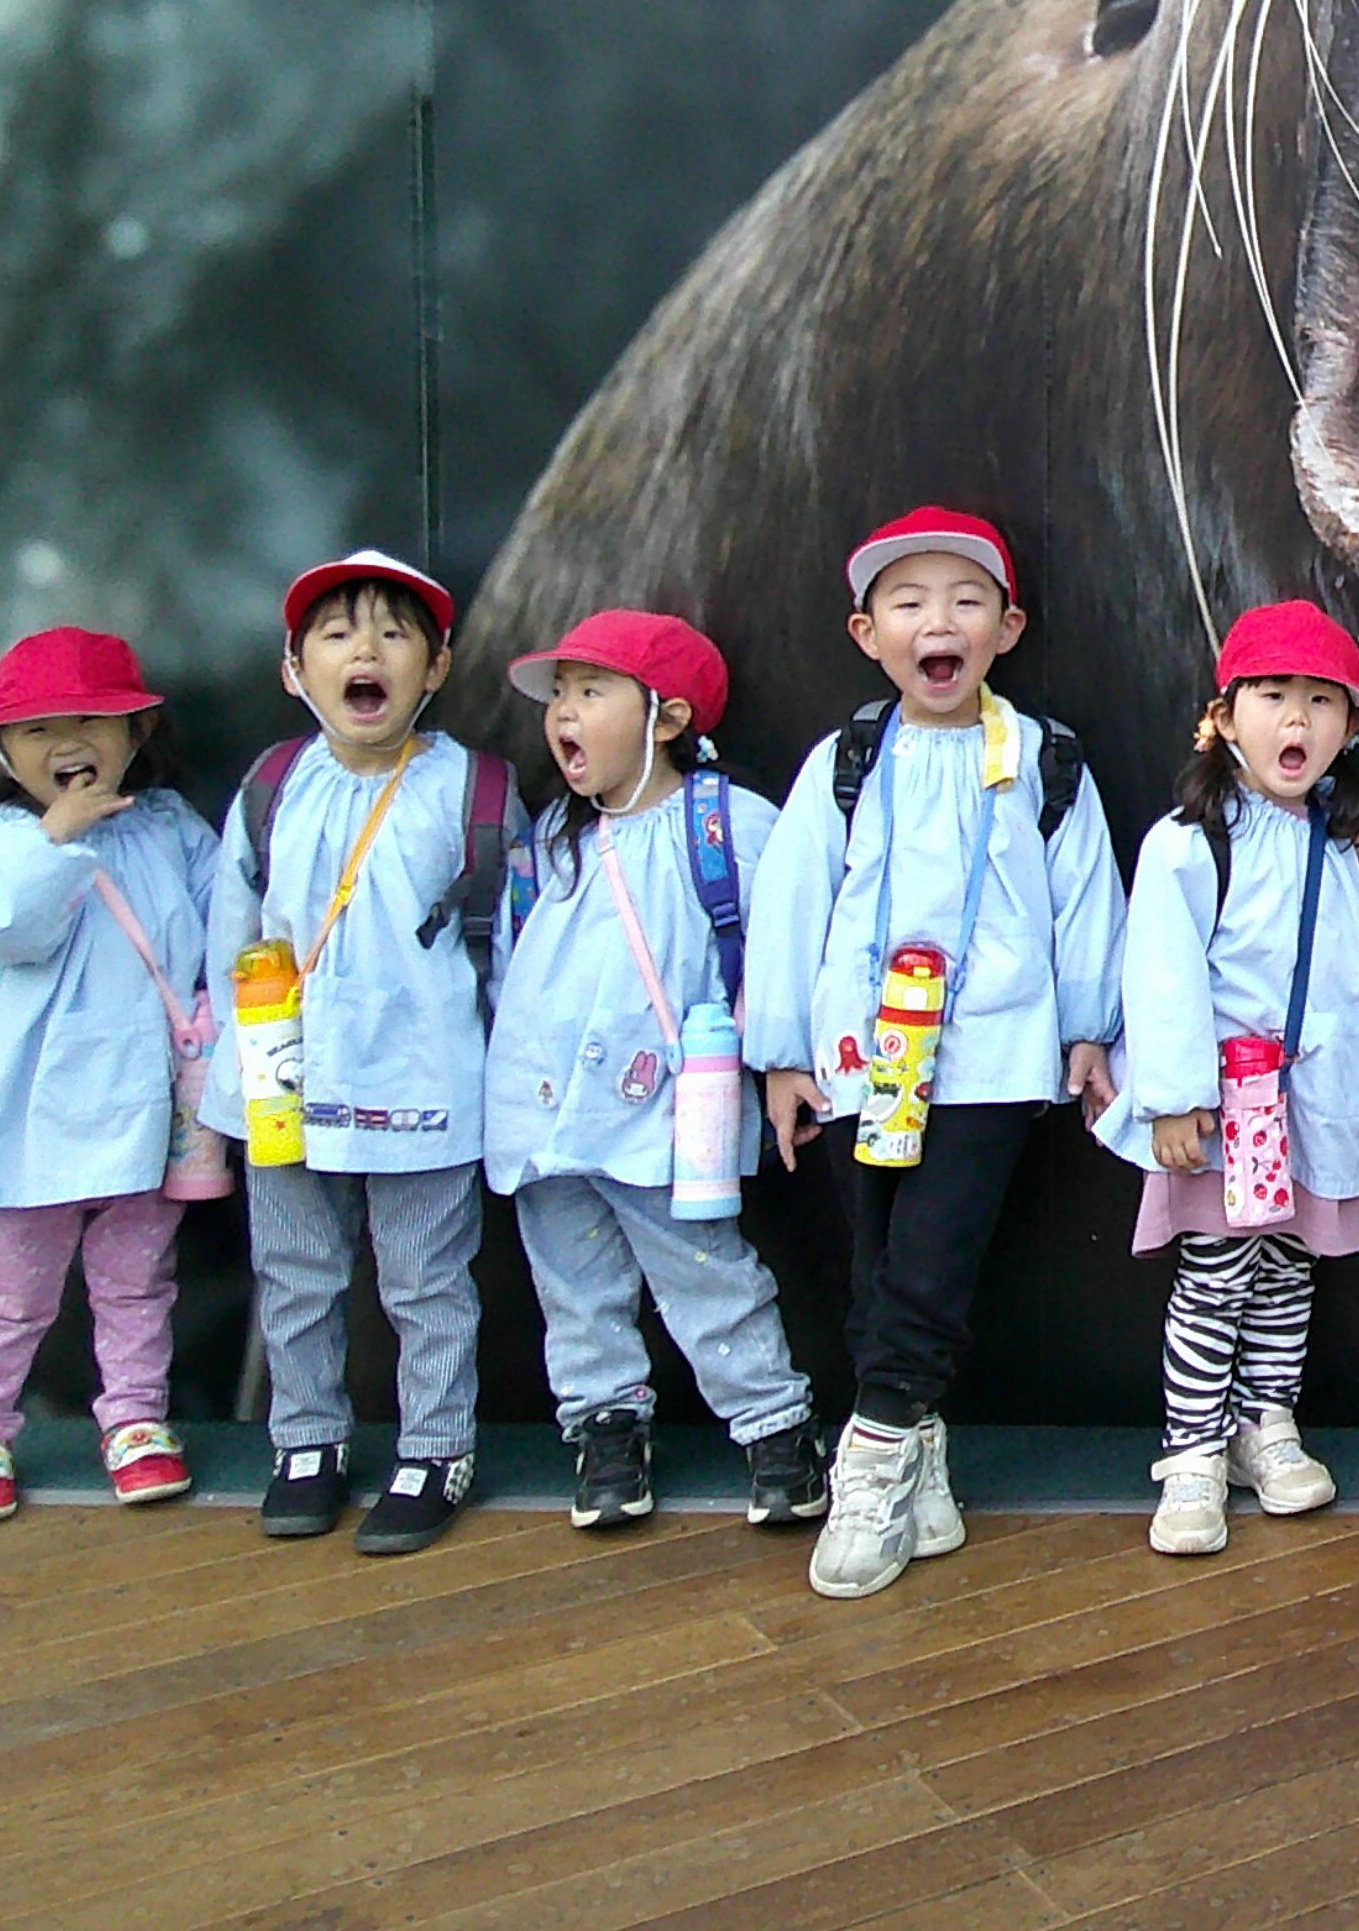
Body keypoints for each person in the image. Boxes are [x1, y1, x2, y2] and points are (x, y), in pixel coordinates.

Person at [743, 507, 1125, 1599]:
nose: (938, 622)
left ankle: (866, 1469)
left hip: (991, 1056)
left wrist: (1088, 1027)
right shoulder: (846, 760)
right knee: (874, 1269)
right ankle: (920, 1463)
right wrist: (781, 1054)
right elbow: (791, 904)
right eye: (908, 603)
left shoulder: (1044, 760)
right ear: (868, 635)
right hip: (861, 1057)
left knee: (930, 1264)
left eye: (965, 601)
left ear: (1008, 627)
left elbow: (1086, 897)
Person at [1104, 599, 1359, 1558]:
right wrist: (1174, 1098)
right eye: (1274, 696)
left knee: (1288, 1273)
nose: (1298, 719)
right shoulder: (1190, 843)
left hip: (1314, 1113)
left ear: (1349, 727)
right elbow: (1161, 973)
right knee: (1214, 1276)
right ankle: (1192, 1452)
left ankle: (1267, 1424)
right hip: (1227, 1115)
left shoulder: (1343, 841)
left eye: (1322, 702)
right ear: (1223, 718)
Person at [486, 609, 824, 1535]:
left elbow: (790, 946)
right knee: (573, 1286)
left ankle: (774, 1427)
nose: (564, 712)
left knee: (708, 1274)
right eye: (559, 694)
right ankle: (605, 1428)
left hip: (669, 1112)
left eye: (591, 691)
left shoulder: (726, 826)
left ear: (667, 718)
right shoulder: (548, 841)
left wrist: (781, 1054)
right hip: (548, 1113)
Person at [207, 550, 511, 1557]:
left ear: (436, 667)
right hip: (287, 1086)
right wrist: (224, 1094)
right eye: (336, 635)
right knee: (296, 1274)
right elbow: (230, 936)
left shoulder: (472, 791)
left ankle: (435, 1449)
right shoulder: (272, 787)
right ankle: (306, 1442)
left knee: (427, 1284)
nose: (365, 650)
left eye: (393, 633)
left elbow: (510, 948)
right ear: (296, 669)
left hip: (424, 1086)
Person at [0, 628, 215, 1526]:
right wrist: (56, 838)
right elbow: (4, 924)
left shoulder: (170, 828)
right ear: (0, 750)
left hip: (150, 1103)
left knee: (138, 1277)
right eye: (39, 730)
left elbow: (225, 921)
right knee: (11, 1289)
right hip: (37, 1114)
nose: (68, 743)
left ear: (137, 731)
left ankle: (134, 1418)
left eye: (92, 721)